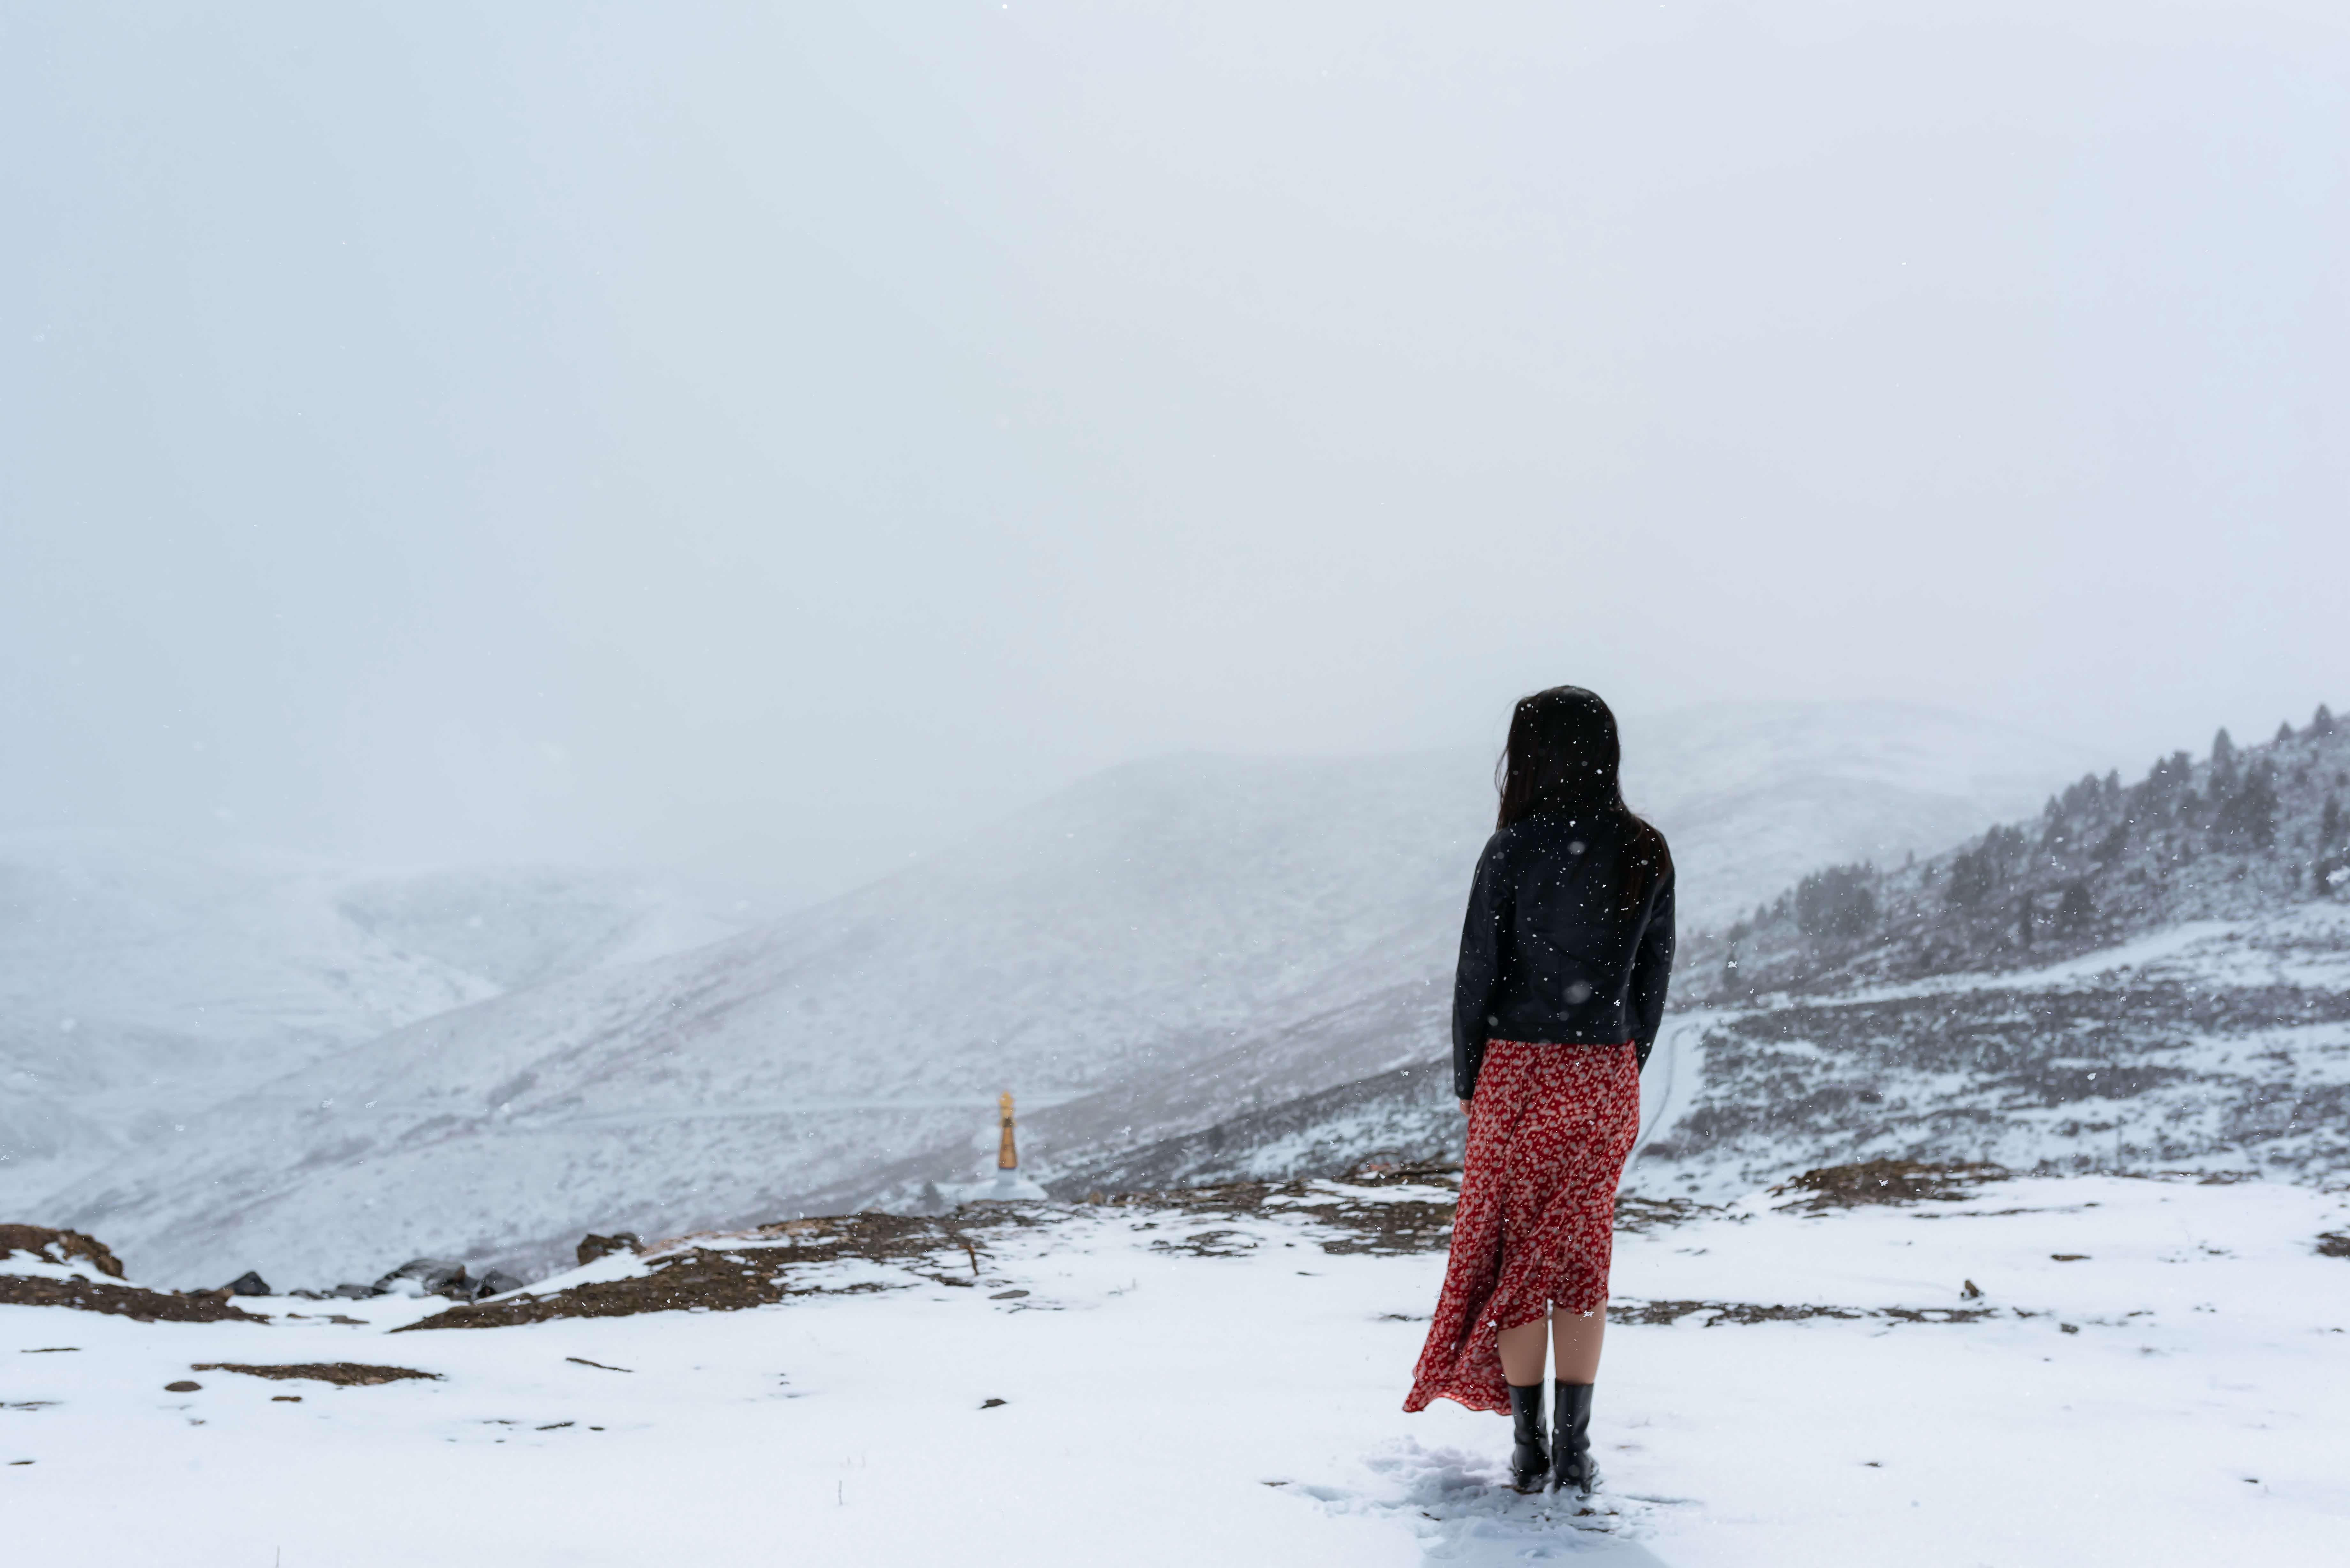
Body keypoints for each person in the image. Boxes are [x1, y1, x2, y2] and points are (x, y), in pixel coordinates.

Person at [1403, 686, 1675, 1497]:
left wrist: (1467, 1077)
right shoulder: (1645, 848)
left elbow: (1475, 977)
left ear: (1534, 756)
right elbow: (1651, 979)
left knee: (1520, 1258)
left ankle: (1527, 1450)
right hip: (1602, 1074)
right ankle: (1576, 1449)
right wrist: (1618, 1064)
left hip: (1517, 1073)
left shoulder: (1512, 850)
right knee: (1581, 1256)